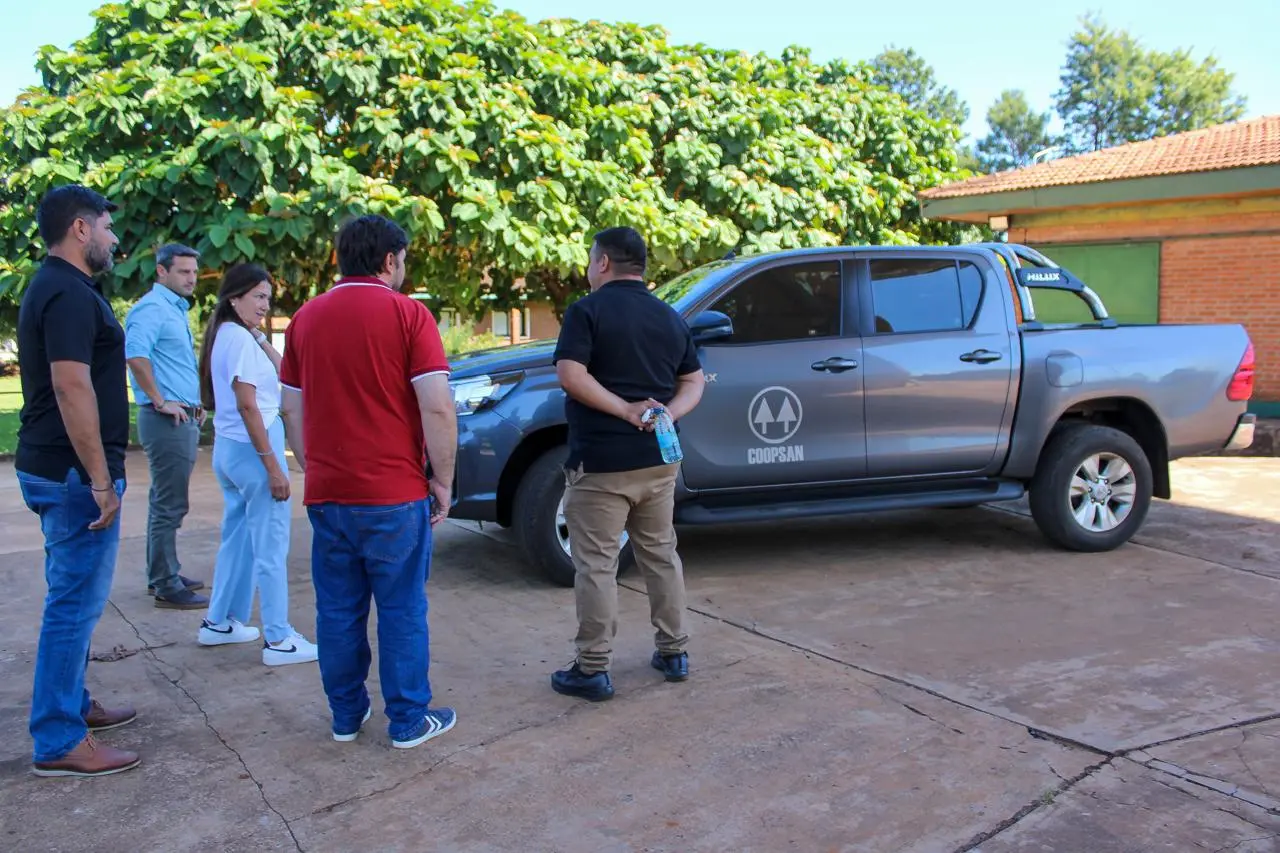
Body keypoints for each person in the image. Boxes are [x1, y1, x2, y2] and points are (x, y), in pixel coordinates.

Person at [278, 214, 458, 748]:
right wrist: (442, 480)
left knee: (337, 610)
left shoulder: (305, 319)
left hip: (330, 495)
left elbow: (292, 408)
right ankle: (406, 720)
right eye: (402, 261)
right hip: (394, 494)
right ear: (389, 260)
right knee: (401, 607)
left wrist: (315, 467)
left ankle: (345, 715)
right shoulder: (409, 315)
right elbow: (437, 409)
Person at [550, 226, 707, 702]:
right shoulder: (669, 316)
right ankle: (674, 652)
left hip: (601, 462)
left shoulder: (586, 311)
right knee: (660, 553)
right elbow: (695, 381)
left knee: (597, 563)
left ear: (603, 263)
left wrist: (624, 409)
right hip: (659, 461)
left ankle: (593, 669)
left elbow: (570, 374)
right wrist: (665, 413)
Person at [15, 184, 140, 777]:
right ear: (81, 230)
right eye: (108, 229)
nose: (115, 241)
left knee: (73, 603)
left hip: (59, 469)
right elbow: (71, 387)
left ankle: (73, 706)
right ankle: (59, 737)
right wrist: (99, 479)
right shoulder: (65, 292)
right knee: (72, 607)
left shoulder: (62, 287)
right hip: (71, 475)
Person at [196, 263, 317, 666]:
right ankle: (279, 639)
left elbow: (285, 374)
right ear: (235, 298)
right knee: (270, 547)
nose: (265, 304)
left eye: (267, 297)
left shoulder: (231, 336)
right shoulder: (238, 341)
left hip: (230, 453)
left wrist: (263, 341)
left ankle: (219, 622)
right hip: (252, 453)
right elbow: (249, 405)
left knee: (239, 541)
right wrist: (273, 467)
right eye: (258, 297)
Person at [124, 243, 209, 609]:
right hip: (164, 419)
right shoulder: (152, 309)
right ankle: (165, 583)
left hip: (181, 415)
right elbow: (136, 355)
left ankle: (163, 570)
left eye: (193, 272)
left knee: (167, 500)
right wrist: (161, 400)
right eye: (183, 272)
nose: (191, 279)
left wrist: (195, 404)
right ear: (162, 271)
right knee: (170, 503)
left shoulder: (173, 310)